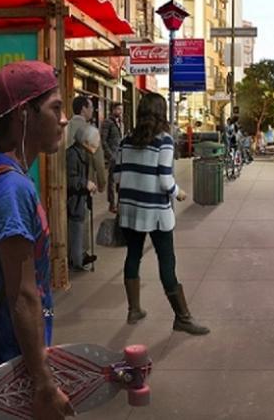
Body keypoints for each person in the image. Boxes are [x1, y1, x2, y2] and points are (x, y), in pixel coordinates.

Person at [0, 61, 74, 418]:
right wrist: (43, 383)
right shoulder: (12, 189)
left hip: (7, 363)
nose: (64, 118)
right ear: (24, 115)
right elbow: (23, 295)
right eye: (55, 108)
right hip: (10, 372)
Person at [114, 93, 209, 335]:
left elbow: (117, 176)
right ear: (161, 113)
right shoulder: (164, 141)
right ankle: (182, 318)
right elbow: (166, 180)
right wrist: (179, 193)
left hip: (130, 209)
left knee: (133, 256)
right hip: (156, 212)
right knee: (167, 262)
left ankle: (133, 310)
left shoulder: (126, 140)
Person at [66, 95, 106, 267]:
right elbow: (98, 159)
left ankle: (69, 253)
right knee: (81, 218)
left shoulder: (65, 127)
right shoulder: (90, 130)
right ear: (83, 108)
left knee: (69, 219)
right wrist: (102, 182)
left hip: (65, 180)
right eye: (90, 107)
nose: (92, 111)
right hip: (83, 181)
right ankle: (79, 255)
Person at [66, 126, 99, 272]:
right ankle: (77, 260)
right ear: (85, 142)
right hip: (75, 200)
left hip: (80, 199)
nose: (96, 147)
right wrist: (85, 183)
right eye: (94, 144)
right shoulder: (73, 155)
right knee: (76, 230)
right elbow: (69, 179)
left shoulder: (82, 154)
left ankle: (80, 256)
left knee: (80, 228)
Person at [100, 102, 123, 213]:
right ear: (113, 110)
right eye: (118, 109)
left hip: (120, 155)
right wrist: (110, 155)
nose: (120, 111)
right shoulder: (107, 122)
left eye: (121, 109)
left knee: (119, 180)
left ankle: (119, 203)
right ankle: (112, 203)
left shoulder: (120, 122)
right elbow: (103, 140)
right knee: (112, 181)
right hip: (114, 156)